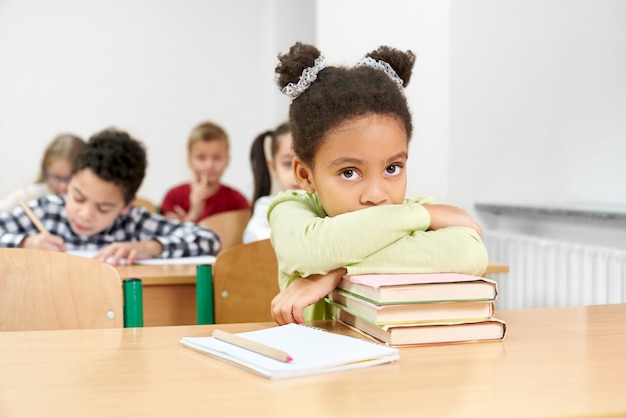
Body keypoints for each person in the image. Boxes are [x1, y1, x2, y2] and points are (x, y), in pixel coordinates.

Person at [269, 42, 489, 324]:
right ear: (304, 175)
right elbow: (310, 249)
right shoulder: (291, 208)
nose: (376, 195)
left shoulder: (408, 211)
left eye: (392, 168)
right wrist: (425, 215)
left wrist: (336, 272)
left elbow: (470, 252)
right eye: (350, 172)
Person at [0, 128, 221, 265]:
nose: (85, 214)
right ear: (70, 181)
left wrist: (149, 247)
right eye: (78, 197)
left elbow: (209, 239)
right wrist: (25, 242)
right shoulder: (45, 211)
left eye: (104, 208)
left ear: (126, 205)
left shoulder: (134, 223)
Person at [160, 121, 250, 223]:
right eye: (201, 158)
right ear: (189, 160)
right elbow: (167, 236)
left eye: (217, 158)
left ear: (227, 160)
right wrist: (193, 215)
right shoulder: (174, 197)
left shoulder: (237, 201)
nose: (209, 165)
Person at [243, 122, 299, 243]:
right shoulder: (267, 205)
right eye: (288, 164)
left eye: (307, 163)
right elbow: (253, 236)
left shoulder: (327, 204)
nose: (297, 173)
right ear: (273, 168)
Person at [0, 133, 86, 213]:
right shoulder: (31, 196)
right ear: (45, 171)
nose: (63, 186)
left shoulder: (88, 203)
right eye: (56, 177)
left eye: (69, 178)